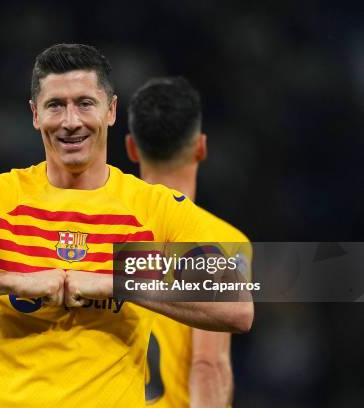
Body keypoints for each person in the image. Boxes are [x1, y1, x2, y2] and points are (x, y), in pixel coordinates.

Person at [0, 44, 253, 407]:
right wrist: (10, 280)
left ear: (111, 110)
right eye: (55, 105)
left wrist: (112, 284)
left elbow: (236, 307)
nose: (71, 122)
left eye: (84, 103)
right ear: (35, 114)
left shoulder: (153, 207)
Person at [126, 76, 253, 407]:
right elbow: (208, 364)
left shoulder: (102, 229)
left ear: (131, 148)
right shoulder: (219, 242)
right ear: (201, 146)